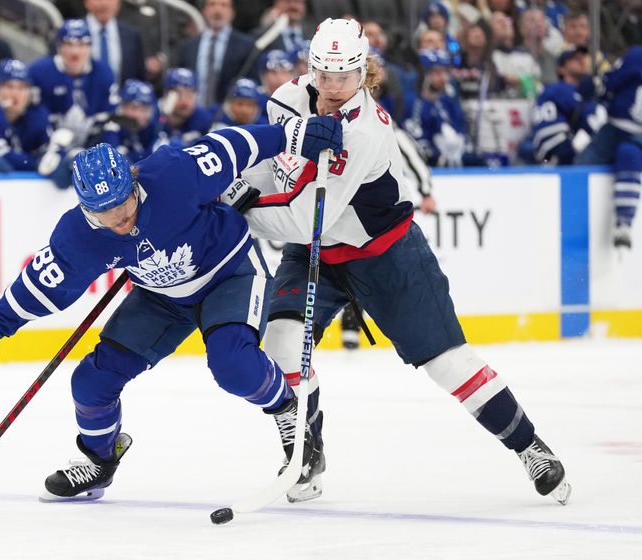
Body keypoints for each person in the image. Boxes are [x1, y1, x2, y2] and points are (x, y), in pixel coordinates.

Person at [239, 17, 571, 506]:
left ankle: (529, 447)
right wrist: (241, 185)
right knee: (283, 341)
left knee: (449, 365)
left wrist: (236, 213)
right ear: (310, 68)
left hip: (386, 254)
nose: (332, 88)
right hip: (318, 251)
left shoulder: (366, 131)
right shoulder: (286, 100)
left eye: (344, 77)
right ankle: (304, 455)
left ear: (362, 71)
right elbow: (272, 175)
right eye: (323, 75)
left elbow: (302, 219)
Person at [0, 115, 342, 501]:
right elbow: (41, 285)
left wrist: (293, 134)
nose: (121, 219)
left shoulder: (173, 174)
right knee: (91, 383)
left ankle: (291, 414)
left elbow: (235, 146)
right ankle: (100, 462)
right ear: (86, 208)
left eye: (125, 203)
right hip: (162, 297)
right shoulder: (79, 236)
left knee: (234, 365)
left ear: (133, 182)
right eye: (107, 213)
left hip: (229, 273)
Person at [0, 58, 73, 185]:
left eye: (22, 88)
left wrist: (60, 159)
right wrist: (38, 164)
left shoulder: (36, 116)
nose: (15, 94)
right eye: (9, 87)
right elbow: (3, 157)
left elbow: (48, 150)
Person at [576, 45, 642, 251]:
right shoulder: (637, 56)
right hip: (614, 127)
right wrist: (598, 92)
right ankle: (572, 223)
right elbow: (610, 84)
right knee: (580, 168)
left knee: (628, 155)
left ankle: (624, 222)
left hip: (636, 136)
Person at [29, 19, 116, 150]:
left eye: (81, 44)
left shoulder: (103, 73)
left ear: (90, 47)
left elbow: (110, 119)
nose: (75, 52)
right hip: (49, 147)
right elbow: (34, 118)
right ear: (58, 46)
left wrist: (106, 150)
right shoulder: (39, 71)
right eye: (69, 44)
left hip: (92, 145)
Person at [524, 47, 605, 165]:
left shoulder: (585, 92)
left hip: (572, 147)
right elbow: (585, 117)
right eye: (575, 59)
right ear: (561, 69)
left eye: (583, 57)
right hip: (558, 152)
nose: (581, 60)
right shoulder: (556, 89)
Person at [176, 0, 256, 107]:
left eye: (223, 5)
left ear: (232, 12)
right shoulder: (188, 45)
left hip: (230, 115)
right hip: (194, 113)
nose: (217, 10)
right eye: (212, 4)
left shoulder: (247, 46)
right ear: (204, 10)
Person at [101, 79, 160, 163]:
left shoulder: (151, 131)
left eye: (144, 109)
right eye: (133, 108)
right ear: (122, 107)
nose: (138, 115)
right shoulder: (111, 130)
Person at [156, 68, 213, 149]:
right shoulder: (152, 115)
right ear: (166, 95)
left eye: (190, 96)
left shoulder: (203, 118)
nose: (185, 102)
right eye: (179, 95)